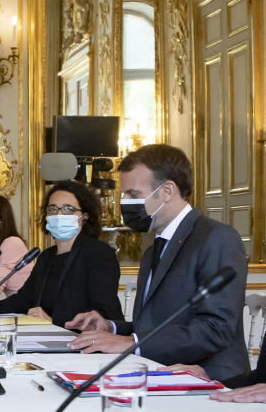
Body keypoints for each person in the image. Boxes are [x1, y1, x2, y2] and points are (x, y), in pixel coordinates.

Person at [66, 144, 248, 382]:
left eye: (133, 194)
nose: (124, 202)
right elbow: (158, 326)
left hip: (211, 380)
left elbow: (215, 328)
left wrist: (131, 343)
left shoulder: (217, 237)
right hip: (158, 372)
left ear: (167, 191)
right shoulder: (152, 249)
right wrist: (111, 328)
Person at [0, 180, 123, 327]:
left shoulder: (100, 254)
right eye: (52, 209)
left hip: (83, 342)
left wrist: (53, 320)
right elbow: (25, 298)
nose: (58, 214)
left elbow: (103, 313)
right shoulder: (47, 256)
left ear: (84, 216)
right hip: (48, 336)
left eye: (68, 209)